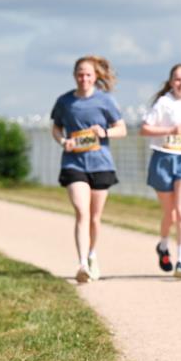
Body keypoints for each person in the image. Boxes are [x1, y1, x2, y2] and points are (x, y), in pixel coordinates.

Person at [50, 55, 127, 283]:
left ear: (95, 77)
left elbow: (121, 129)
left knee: (94, 217)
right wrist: (64, 141)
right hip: (74, 163)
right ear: (74, 76)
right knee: (81, 212)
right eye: (80, 75)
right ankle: (82, 263)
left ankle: (93, 254)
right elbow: (55, 128)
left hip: (100, 163)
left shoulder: (106, 101)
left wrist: (104, 132)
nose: (84, 79)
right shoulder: (64, 102)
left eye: (88, 75)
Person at [141, 63, 181, 278]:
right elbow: (145, 129)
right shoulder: (163, 103)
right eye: (177, 79)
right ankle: (163, 244)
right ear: (171, 82)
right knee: (170, 213)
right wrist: (170, 129)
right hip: (163, 158)